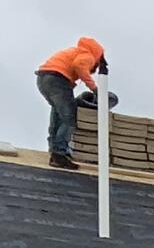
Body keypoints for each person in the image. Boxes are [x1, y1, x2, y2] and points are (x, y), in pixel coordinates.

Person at [34, 37, 109, 169]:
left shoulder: (76, 52)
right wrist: (95, 89)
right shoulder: (89, 56)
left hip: (44, 79)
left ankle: (55, 150)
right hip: (57, 80)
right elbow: (79, 65)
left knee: (58, 114)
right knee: (69, 118)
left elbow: (74, 65)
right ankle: (59, 154)